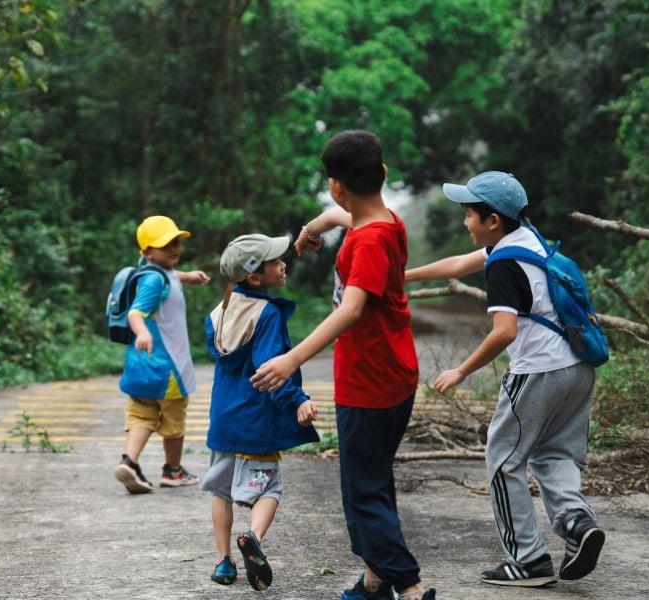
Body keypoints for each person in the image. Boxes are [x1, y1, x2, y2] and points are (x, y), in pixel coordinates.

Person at [251, 131, 436, 600]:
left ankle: (410, 587)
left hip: (371, 382)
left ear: (336, 184)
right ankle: (374, 582)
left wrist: (291, 358)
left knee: (362, 492)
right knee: (371, 479)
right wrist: (310, 232)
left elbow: (351, 309)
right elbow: (338, 216)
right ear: (383, 174)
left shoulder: (370, 241)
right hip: (391, 372)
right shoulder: (386, 221)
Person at [405, 171, 605, 587]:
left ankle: (528, 560)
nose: (464, 222)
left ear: (492, 220)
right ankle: (577, 523)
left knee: (503, 460)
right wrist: (402, 276)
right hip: (577, 368)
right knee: (554, 455)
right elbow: (459, 264)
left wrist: (461, 370)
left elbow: (504, 332)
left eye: (468, 215)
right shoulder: (527, 240)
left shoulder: (503, 266)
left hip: (537, 372)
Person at [202, 233, 320, 591]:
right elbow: (270, 368)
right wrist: (298, 398)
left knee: (221, 492)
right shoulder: (266, 313)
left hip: (223, 420)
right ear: (255, 277)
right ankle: (252, 537)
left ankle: (225, 562)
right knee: (270, 489)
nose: (283, 264)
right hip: (256, 420)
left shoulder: (217, 314)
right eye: (275, 261)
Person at [114, 215, 210, 494]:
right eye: (165, 243)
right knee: (173, 421)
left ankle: (129, 462)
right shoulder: (154, 282)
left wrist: (188, 277)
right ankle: (173, 470)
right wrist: (142, 331)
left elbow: (166, 276)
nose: (174, 247)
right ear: (146, 252)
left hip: (140, 366)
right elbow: (136, 312)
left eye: (176, 241)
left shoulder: (152, 272)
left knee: (141, 415)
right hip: (167, 367)